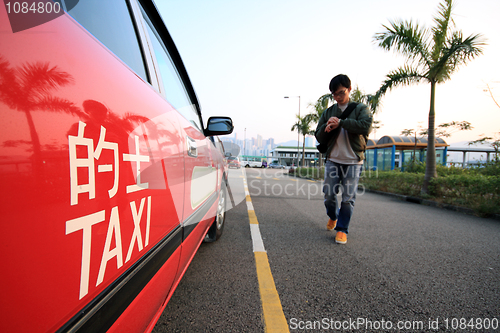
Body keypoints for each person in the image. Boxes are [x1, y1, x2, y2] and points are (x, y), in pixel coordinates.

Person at [315, 74, 373, 244]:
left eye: (341, 93)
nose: (338, 97)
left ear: (349, 89)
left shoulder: (360, 109)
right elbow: (318, 135)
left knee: (348, 198)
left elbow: (365, 126)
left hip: (353, 161)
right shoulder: (329, 112)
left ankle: (342, 229)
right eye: (334, 94)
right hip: (333, 159)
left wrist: (341, 123)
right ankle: (333, 216)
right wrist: (328, 128)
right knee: (329, 195)